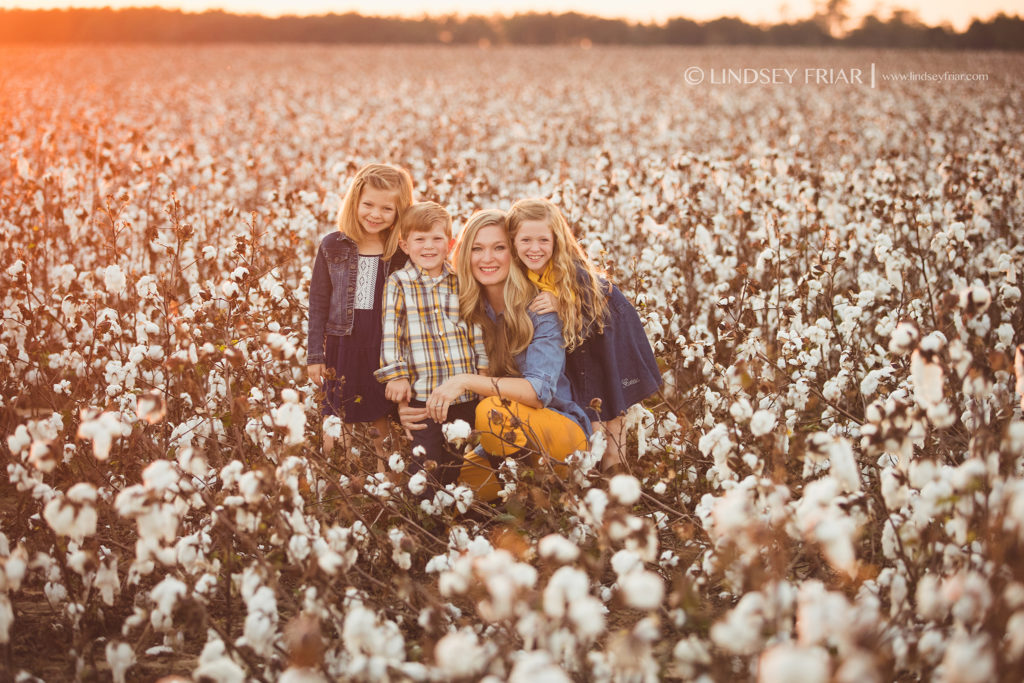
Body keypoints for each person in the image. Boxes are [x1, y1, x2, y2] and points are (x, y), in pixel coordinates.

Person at [406, 209, 591, 502]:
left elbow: (538, 392)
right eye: (477, 248)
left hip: (560, 432)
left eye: (499, 248)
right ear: (465, 254)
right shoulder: (464, 308)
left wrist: (466, 381)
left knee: (492, 411)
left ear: (514, 254)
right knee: (455, 492)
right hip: (504, 438)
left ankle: (537, 506)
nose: (487, 258)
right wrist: (408, 408)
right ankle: (526, 498)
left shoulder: (540, 307)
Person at [506, 198, 661, 475]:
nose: (535, 248)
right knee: (594, 424)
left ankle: (617, 486)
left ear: (556, 240)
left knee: (611, 421)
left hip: (607, 346)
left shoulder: (571, 271)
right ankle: (598, 482)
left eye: (543, 239)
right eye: (525, 240)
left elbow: (599, 308)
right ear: (513, 241)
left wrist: (563, 304)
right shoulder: (521, 274)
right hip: (579, 353)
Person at [306, 163, 413, 471]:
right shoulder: (332, 245)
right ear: (355, 202)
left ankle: (384, 479)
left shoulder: (400, 252)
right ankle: (336, 476)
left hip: (383, 345)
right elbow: (318, 302)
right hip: (342, 342)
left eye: (386, 208)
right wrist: (315, 355)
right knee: (337, 413)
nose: (375, 214)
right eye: (368, 204)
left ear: (399, 212)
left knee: (381, 415)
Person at [374, 202, 488, 488]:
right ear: (404, 244)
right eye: (420, 239)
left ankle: (447, 511)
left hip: (463, 397)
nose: (429, 246)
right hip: (423, 398)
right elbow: (391, 331)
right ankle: (422, 517)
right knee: (424, 462)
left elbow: (476, 328)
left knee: (456, 460)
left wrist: (483, 371)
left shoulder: (461, 281)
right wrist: (396, 374)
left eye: (437, 239)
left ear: (449, 244)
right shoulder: (399, 283)